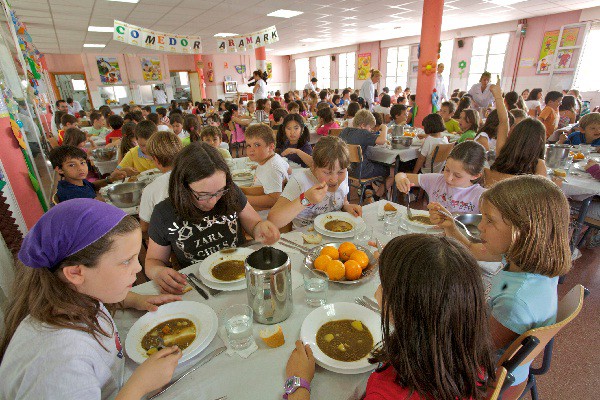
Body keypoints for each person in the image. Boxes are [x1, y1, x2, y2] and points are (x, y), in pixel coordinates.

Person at [0, 199, 183, 399]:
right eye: (126, 261)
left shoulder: (72, 294)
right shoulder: (59, 363)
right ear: (75, 273)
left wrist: (132, 300)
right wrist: (138, 387)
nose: (139, 268)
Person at [283, 234, 494, 400]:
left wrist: (298, 383)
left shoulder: (388, 393)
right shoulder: (470, 355)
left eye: (384, 285)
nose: (377, 292)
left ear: (407, 310)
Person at [429, 175, 571, 391]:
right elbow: (473, 250)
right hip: (487, 335)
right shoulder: (523, 260)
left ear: (522, 231)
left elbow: (473, 351)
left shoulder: (515, 302)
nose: (481, 227)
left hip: (484, 378)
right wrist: (451, 228)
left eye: (490, 220)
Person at [145, 142, 280, 292]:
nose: (213, 201)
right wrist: (158, 271)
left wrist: (261, 228)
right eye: (203, 195)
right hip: (198, 285)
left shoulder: (230, 193)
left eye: (219, 191)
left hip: (242, 277)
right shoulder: (164, 213)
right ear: (182, 187)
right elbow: (153, 261)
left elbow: (254, 224)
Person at [269, 136, 360, 229]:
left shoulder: (343, 176)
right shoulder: (300, 181)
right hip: (305, 237)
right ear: (314, 166)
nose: (334, 179)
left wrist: (347, 206)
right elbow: (273, 221)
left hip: (335, 231)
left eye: (340, 172)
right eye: (327, 172)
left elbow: (343, 201)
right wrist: (306, 199)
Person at [396, 141, 486, 213]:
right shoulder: (436, 180)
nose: (448, 178)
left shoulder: (481, 196)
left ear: (475, 176)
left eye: (457, 176)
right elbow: (402, 175)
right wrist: (401, 179)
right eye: (446, 170)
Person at [139, 131, 183, 234]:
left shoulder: (151, 189)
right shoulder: (195, 174)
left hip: (173, 242)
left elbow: (144, 227)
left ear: (156, 159)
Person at [49, 146, 125, 202]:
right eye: (72, 165)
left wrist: (110, 179)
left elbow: (92, 186)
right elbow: (97, 205)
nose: (80, 168)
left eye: (82, 163)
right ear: (59, 169)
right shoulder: (72, 194)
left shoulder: (76, 182)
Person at [242, 124, 290, 211]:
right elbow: (289, 170)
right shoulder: (274, 158)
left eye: (257, 145)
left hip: (264, 214)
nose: (251, 149)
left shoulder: (272, 168)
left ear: (271, 147)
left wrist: (243, 199)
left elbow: (274, 200)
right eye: (248, 145)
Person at [340, 109, 388, 181]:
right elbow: (382, 141)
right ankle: (379, 192)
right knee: (391, 170)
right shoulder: (363, 133)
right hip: (361, 171)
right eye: (370, 128)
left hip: (345, 169)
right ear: (362, 125)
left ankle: (368, 189)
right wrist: (385, 128)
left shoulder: (344, 131)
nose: (370, 130)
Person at [474, 84, 511, 151]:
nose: (508, 130)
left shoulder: (494, 138)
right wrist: (498, 96)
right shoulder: (483, 136)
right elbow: (503, 120)